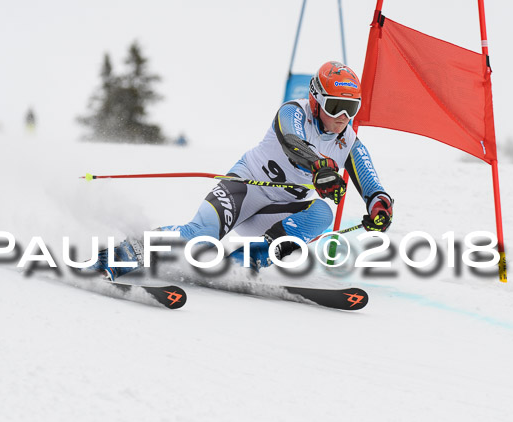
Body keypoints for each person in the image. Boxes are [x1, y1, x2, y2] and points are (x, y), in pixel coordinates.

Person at [91, 61, 394, 280]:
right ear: (316, 101)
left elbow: (369, 180)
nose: (342, 117)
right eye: (335, 107)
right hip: (244, 189)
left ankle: (244, 262)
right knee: (202, 235)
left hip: (278, 208)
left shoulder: (348, 141)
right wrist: (320, 167)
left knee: (322, 215)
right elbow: (293, 142)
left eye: (351, 109)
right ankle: (124, 253)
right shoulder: (293, 111)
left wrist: (379, 203)